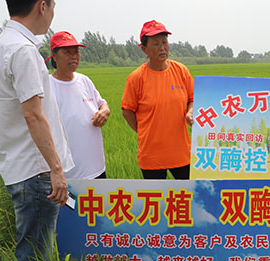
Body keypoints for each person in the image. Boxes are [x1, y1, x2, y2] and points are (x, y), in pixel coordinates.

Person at [0, 0, 74, 261]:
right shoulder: (23, 51)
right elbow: (33, 115)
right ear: (42, 6)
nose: (52, 14)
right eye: (52, 7)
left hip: (21, 164)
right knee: (33, 256)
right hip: (35, 169)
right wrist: (56, 169)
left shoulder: (3, 43)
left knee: (31, 251)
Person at [121, 20, 194, 179]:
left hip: (182, 153)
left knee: (189, 193)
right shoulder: (136, 78)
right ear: (144, 49)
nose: (162, 47)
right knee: (155, 195)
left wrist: (190, 112)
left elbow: (192, 99)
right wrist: (143, 131)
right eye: (156, 43)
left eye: (164, 42)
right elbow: (127, 111)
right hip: (151, 156)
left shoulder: (181, 71)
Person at [47, 31, 110, 179]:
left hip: (97, 169)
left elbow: (102, 103)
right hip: (67, 175)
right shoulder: (47, 86)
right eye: (67, 52)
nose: (74, 56)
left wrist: (104, 111)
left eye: (76, 52)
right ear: (54, 56)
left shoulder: (84, 81)